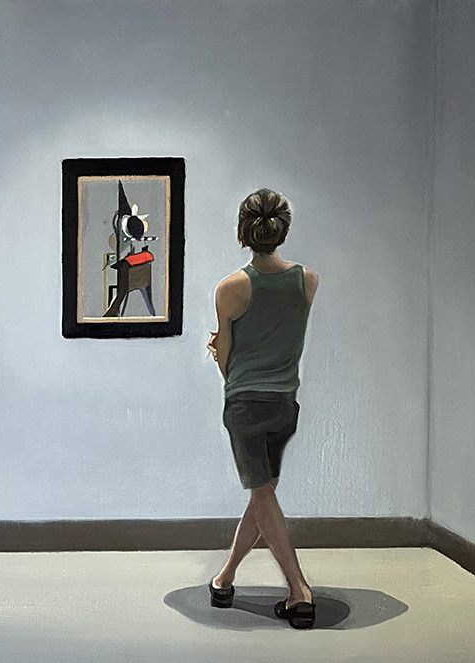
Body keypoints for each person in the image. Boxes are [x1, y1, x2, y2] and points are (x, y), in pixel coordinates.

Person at [206, 188, 319, 630]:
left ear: (244, 233)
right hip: (285, 404)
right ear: (282, 229)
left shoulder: (231, 287)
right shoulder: (307, 280)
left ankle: (299, 591)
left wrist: (220, 352)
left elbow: (227, 364)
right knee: (263, 493)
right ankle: (225, 578)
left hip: (247, 406)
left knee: (262, 494)